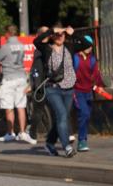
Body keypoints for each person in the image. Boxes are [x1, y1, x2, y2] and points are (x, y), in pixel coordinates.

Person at [32, 24, 90, 158]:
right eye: (57, 35)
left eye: (62, 34)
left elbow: (86, 44)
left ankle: (50, 143)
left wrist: (73, 33)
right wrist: (53, 31)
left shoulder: (69, 47)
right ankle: (67, 147)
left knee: (61, 118)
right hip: (53, 89)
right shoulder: (46, 48)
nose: (60, 37)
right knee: (62, 115)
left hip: (69, 89)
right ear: (53, 36)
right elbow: (36, 41)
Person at [0, 25, 35, 144]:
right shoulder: (22, 46)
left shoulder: (5, 47)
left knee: (9, 107)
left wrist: (3, 62)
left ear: (7, 33)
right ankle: (22, 132)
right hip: (21, 78)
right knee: (21, 106)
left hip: (9, 79)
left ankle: (10, 133)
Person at [72, 35, 106, 152]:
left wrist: (100, 86)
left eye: (91, 46)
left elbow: (96, 75)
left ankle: (82, 138)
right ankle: (82, 141)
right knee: (84, 113)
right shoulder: (75, 58)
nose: (90, 48)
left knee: (86, 117)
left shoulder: (92, 59)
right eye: (88, 45)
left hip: (89, 92)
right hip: (77, 91)